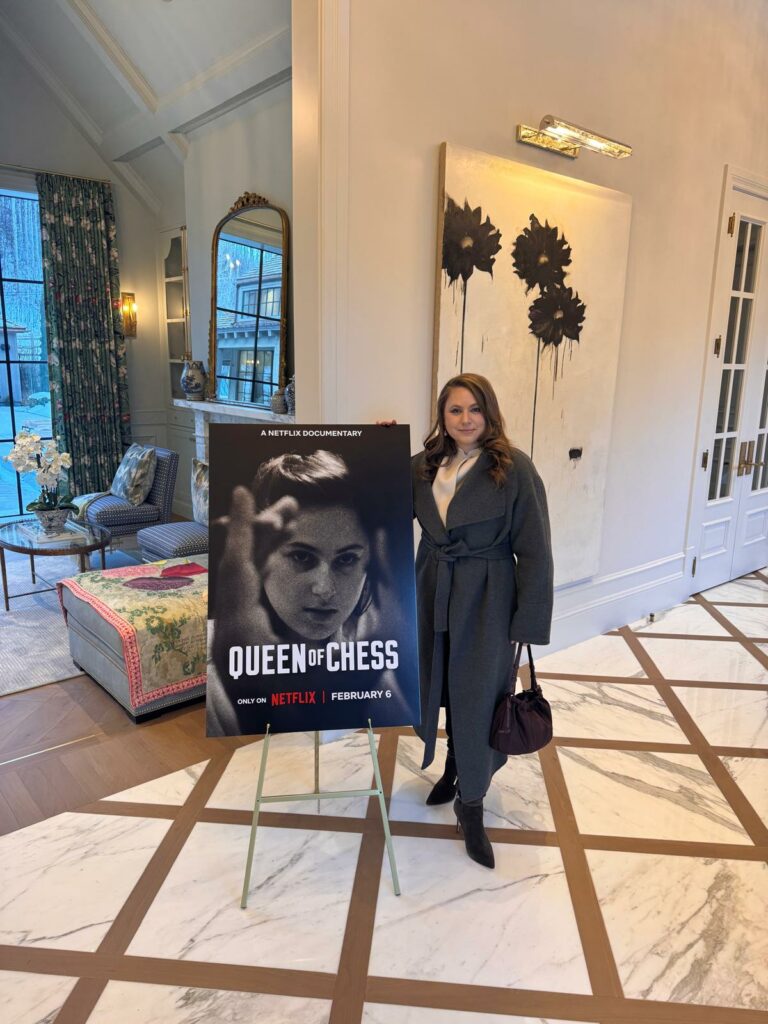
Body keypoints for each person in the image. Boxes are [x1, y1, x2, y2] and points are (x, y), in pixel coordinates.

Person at [409, 372, 553, 868]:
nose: (465, 419)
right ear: (442, 416)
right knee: (441, 685)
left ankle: (471, 803)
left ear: (489, 413)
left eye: (475, 409)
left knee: (477, 695)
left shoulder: (514, 469)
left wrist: (526, 623)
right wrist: (378, 444)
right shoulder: (424, 465)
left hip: (488, 596)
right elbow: (378, 504)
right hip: (432, 588)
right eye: (455, 410)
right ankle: (453, 767)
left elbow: (535, 551)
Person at [207, 449, 403, 736]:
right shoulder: (216, 682)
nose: (325, 589)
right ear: (261, 550)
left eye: (347, 559)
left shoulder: (379, 660)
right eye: (302, 557)